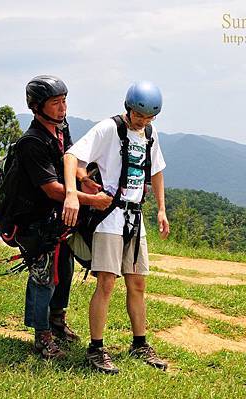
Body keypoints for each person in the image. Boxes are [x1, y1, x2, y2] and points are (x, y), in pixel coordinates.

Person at [62, 81, 170, 374]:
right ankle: (96, 349)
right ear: (128, 108)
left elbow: (156, 170)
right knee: (107, 283)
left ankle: (140, 343)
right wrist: (73, 193)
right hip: (110, 217)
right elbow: (72, 156)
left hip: (135, 220)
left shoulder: (149, 134)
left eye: (149, 117)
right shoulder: (109, 129)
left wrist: (161, 209)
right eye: (139, 116)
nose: (143, 121)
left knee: (137, 284)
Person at [17, 75, 112, 359]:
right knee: (44, 274)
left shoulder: (61, 130)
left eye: (64, 101)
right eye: (56, 103)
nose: (63, 108)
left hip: (57, 218)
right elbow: (53, 189)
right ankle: (41, 334)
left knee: (64, 269)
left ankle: (57, 321)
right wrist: (92, 200)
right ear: (36, 107)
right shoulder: (31, 142)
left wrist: (83, 178)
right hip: (34, 219)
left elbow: (71, 161)